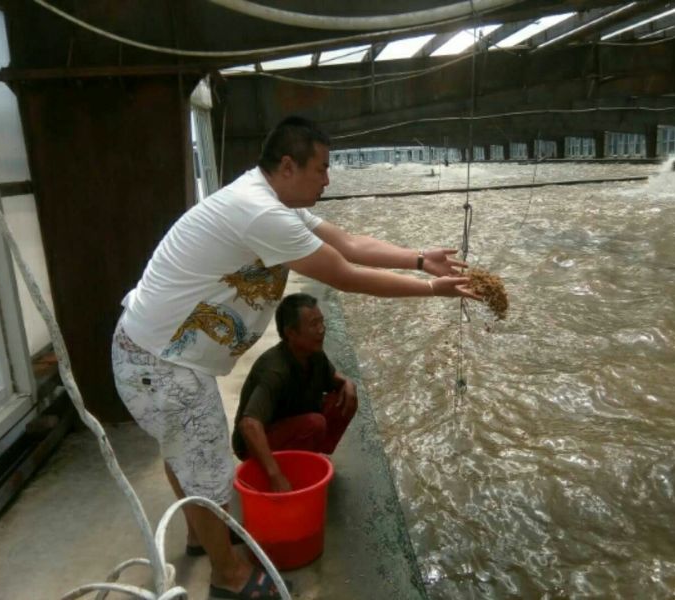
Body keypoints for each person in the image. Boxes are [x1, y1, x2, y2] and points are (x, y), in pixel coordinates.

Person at [111, 115, 478, 600]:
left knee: (186, 451)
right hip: (160, 364)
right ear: (288, 165)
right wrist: (431, 289)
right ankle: (230, 578)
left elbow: (348, 243)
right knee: (208, 465)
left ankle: (202, 536)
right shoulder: (260, 213)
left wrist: (417, 258)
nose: (328, 179)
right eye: (322, 168)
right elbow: (344, 273)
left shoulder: (269, 200)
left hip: (150, 352)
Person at [234, 293, 356, 492]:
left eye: (321, 322)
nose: (321, 330)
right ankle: (283, 468)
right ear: (291, 332)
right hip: (254, 444)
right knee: (315, 423)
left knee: (344, 398)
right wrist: (275, 476)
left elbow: (334, 378)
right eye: (313, 325)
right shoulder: (275, 369)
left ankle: (312, 457)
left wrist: (349, 383)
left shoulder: (313, 354)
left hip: (290, 425)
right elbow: (249, 425)